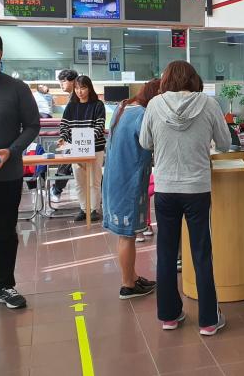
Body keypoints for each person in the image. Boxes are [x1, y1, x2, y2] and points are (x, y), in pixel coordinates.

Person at [139, 61, 231, 333]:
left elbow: (144, 142)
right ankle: (209, 321)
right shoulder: (208, 103)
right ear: (193, 79)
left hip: (166, 188)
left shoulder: (154, 105)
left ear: (166, 80)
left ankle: (169, 316)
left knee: (166, 253)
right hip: (197, 189)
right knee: (202, 253)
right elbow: (225, 143)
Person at [0, 29, 40, 309]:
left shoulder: (16, 89)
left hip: (6, 176)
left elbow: (32, 125)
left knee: (5, 232)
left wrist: (12, 150)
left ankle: (5, 286)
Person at [103, 79, 161, 299]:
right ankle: (128, 284)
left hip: (114, 177)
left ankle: (133, 277)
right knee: (127, 235)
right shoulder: (143, 115)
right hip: (129, 180)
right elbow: (149, 143)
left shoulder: (123, 106)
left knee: (125, 233)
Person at [59, 75, 106, 222]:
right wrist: (63, 138)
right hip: (76, 149)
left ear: (89, 88)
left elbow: (100, 126)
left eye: (83, 88)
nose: (79, 91)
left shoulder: (98, 105)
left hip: (95, 148)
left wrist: (86, 139)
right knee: (79, 181)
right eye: (77, 88)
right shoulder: (71, 106)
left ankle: (94, 209)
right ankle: (83, 209)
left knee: (94, 181)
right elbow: (64, 125)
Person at [50, 69, 79, 203]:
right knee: (68, 164)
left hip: (77, 138)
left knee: (68, 164)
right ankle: (56, 190)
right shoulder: (72, 97)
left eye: (63, 81)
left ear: (73, 81)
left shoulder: (77, 97)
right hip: (72, 137)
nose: (61, 84)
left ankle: (56, 190)